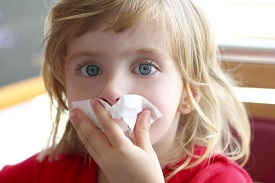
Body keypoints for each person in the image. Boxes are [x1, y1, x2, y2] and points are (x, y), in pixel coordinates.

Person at [0, 0, 253, 182]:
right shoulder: (50, 172)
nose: (112, 90)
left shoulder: (221, 179)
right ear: (65, 87)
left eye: (145, 68)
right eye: (90, 69)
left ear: (188, 92)